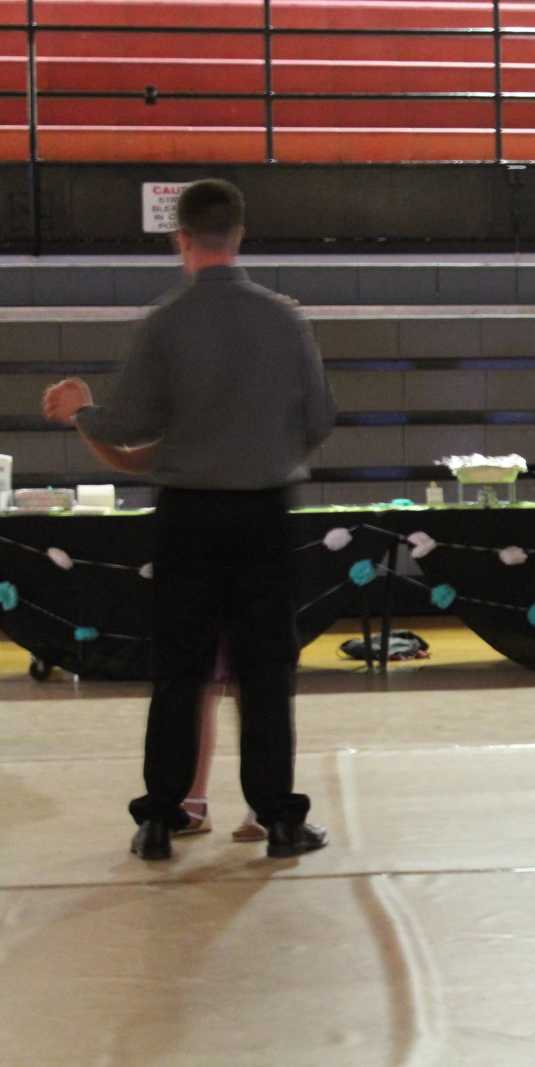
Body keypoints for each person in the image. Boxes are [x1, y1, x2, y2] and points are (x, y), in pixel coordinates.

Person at [42, 178, 336, 860]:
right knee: (266, 672)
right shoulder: (285, 320)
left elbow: (127, 425)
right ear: (240, 235)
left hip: (189, 515)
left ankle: (161, 817)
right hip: (264, 512)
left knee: (180, 667)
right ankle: (278, 819)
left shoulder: (165, 321)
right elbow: (319, 420)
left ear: (181, 240)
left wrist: (82, 410)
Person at [75, 436, 265, 843]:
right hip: (199, 550)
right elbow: (136, 458)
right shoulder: (191, 424)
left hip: (247, 544)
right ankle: (194, 801)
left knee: (248, 682)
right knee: (201, 685)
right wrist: (87, 422)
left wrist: (86, 421)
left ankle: (260, 804)